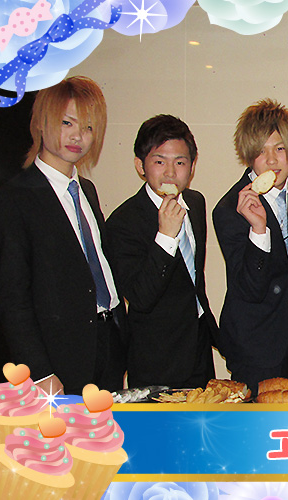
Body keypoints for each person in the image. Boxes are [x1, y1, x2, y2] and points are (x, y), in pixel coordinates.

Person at [0, 76, 125, 395]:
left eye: (89, 127)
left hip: (108, 342)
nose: (78, 135)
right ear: (41, 122)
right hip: (58, 357)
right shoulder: (14, 197)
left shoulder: (86, 190)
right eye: (67, 122)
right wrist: (39, 371)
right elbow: (12, 297)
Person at [106, 115, 217, 389]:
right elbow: (140, 297)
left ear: (192, 166)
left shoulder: (195, 202)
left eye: (180, 162)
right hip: (157, 359)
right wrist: (165, 237)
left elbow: (193, 280)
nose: (170, 173)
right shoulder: (123, 221)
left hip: (199, 350)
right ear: (140, 166)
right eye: (159, 162)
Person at [212, 98, 288, 394]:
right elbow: (250, 287)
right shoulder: (229, 210)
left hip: (286, 334)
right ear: (248, 156)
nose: (272, 160)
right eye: (261, 151)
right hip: (252, 341)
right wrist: (259, 230)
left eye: (280, 149)